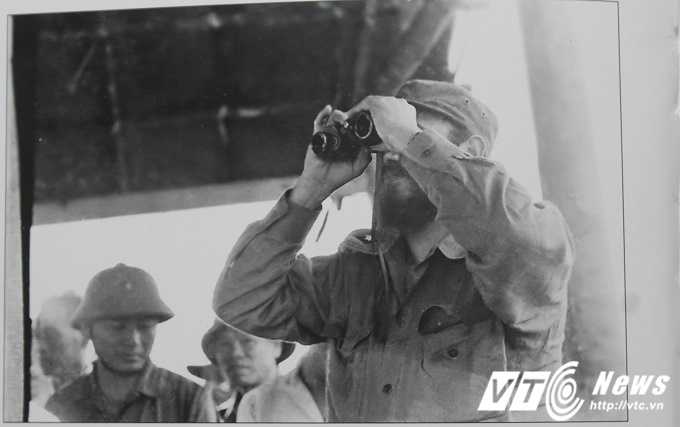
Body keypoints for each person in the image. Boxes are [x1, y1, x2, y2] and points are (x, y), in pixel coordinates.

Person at [212, 80, 575, 421]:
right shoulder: (354, 274)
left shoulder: (515, 259)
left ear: (473, 151)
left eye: (412, 131)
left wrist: (407, 138)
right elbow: (242, 299)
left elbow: (521, 244)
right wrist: (311, 189)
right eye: (383, 140)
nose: (392, 153)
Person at [45, 263, 215, 422]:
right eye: (117, 327)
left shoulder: (189, 400)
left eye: (145, 327)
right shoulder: (62, 404)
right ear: (88, 330)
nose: (133, 340)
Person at [189, 319, 322, 422]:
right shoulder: (216, 416)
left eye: (248, 342)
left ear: (277, 347)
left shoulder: (310, 391)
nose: (236, 353)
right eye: (225, 345)